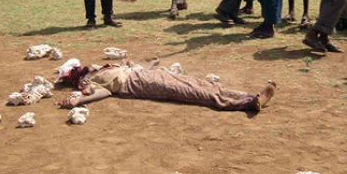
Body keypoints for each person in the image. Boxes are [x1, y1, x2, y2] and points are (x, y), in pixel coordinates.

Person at [58, 61, 275, 112]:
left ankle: (248, 96)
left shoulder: (100, 68)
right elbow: (105, 91)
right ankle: (249, 103)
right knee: (193, 92)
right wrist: (80, 100)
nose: (80, 68)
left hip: (145, 75)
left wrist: (148, 64)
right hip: (137, 84)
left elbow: (131, 67)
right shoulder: (88, 82)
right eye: (74, 70)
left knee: (198, 83)